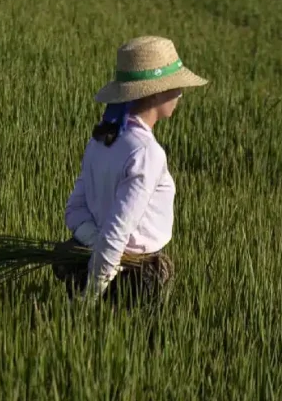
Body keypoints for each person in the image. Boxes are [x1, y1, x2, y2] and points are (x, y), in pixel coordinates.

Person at [55, 36, 209, 302]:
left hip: (93, 260)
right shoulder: (146, 153)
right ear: (156, 92)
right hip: (131, 280)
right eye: (176, 88)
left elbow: (75, 210)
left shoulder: (100, 141)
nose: (180, 95)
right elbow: (118, 228)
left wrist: (93, 244)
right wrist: (92, 292)